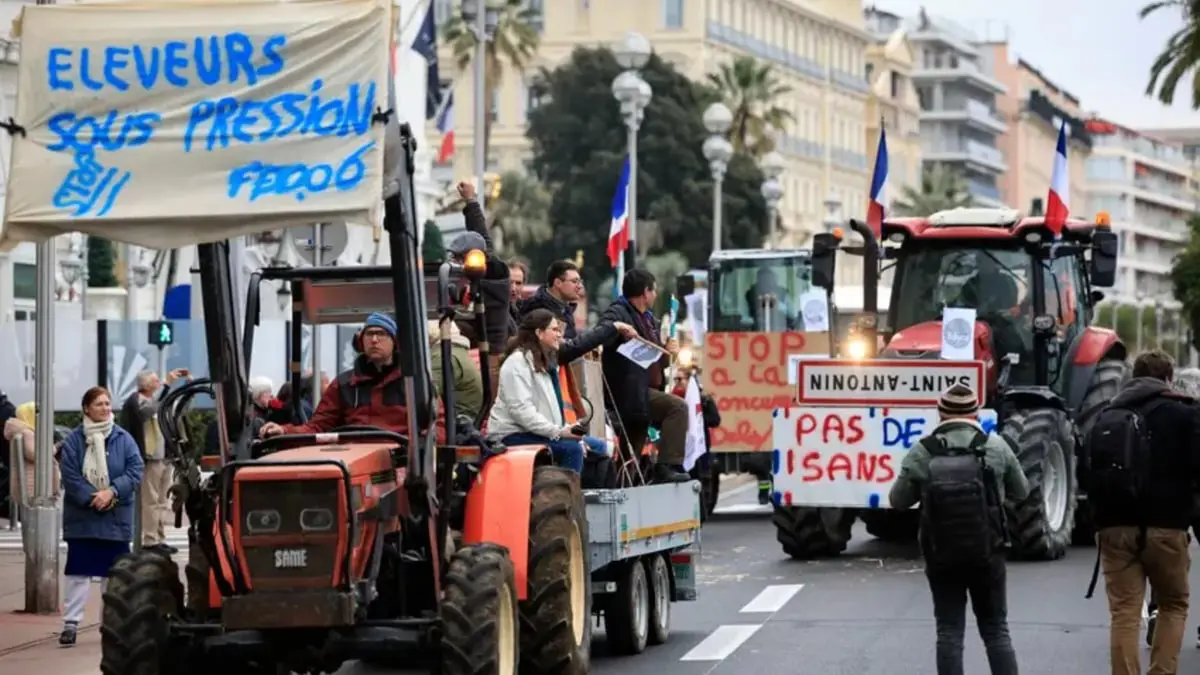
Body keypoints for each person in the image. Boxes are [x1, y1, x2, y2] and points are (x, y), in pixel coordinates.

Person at [889, 383, 1028, 675]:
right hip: (988, 552)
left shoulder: (923, 451)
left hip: (941, 554)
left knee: (949, 631)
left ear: (940, 414)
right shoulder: (996, 446)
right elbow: (1022, 491)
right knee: (996, 630)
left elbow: (898, 500)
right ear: (976, 414)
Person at [1083, 350, 1200, 675]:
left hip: (1113, 527)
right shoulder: (1185, 415)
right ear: (1168, 378)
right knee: (1173, 604)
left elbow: (1086, 473)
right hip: (1167, 526)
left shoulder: (1106, 416)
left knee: (1124, 612)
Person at [259, 312, 446, 440]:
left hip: (401, 463)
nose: (374, 340)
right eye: (369, 334)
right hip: (351, 460)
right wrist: (284, 430)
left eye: (381, 334)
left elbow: (439, 426)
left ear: (395, 342)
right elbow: (317, 426)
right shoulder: (343, 384)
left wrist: (422, 445)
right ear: (360, 341)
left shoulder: (414, 383)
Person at [58, 386, 144, 647]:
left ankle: (113, 623)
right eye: (99, 404)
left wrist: (112, 492)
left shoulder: (123, 438)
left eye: (107, 404)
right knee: (78, 573)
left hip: (116, 516)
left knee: (114, 575)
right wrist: (93, 497)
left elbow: (136, 469)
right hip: (83, 516)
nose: (106, 409)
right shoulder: (74, 440)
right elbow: (70, 475)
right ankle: (71, 623)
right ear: (86, 409)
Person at [601, 269, 690, 483]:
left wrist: (671, 354)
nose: (656, 295)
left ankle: (621, 488)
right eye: (654, 290)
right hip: (631, 393)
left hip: (643, 395)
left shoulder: (649, 320)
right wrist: (618, 328)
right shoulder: (619, 313)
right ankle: (666, 466)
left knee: (630, 452)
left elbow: (656, 362)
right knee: (678, 407)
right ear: (645, 292)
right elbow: (603, 331)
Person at [487, 309, 604, 473]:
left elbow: (549, 412)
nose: (560, 335)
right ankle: (566, 495)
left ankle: (589, 494)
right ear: (539, 333)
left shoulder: (545, 362)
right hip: (512, 435)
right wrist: (559, 433)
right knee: (573, 449)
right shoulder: (517, 363)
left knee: (600, 447)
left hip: (537, 432)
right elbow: (521, 412)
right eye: (555, 330)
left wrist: (567, 431)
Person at [1144, 366, 1200, 649]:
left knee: (1163, 562)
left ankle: (1156, 610)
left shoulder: (1159, 414)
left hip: (1168, 501)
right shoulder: (1193, 417)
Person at [119, 368, 189, 555]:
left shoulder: (157, 401)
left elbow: (170, 411)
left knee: (161, 501)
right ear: (147, 384)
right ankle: (150, 540)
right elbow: (147, 412)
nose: (159, 383)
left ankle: (159, 537)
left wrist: (186, 385)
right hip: (150, 458)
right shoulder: (136, 402)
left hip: (164, 457)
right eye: (156, 381)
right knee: (150, 501)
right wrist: (167, 385)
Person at [452, 180, 513, 357]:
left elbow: (482, 238)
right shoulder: (459, 282)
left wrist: (471, 202)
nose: (459, 264)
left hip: (492, 356)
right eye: (455, 258)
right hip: (467, 354)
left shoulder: (494, 274)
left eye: (461, 257)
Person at [3, 402, 59, 507]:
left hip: (30, 480)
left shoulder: (21, 432)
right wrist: (53, 448)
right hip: (33, 483)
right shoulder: (27, 433)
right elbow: (36, 454)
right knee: (35, 515)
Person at [428, 318, 485, 421]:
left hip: (456, 421)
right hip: (466, 416)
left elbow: (426, 393)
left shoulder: (442, 356)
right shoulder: (456, 351)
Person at [520, 260, 584, 340]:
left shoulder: (565, 309)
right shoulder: (536, 309)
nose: (580, 286)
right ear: (558, 283)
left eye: (580, 282)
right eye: (575, 281)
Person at [507, 258, 530, 339]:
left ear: (523, 285)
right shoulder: (494, 309)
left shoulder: (528, 310)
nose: (513, 288)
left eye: (518, 283)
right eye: (510, 282)